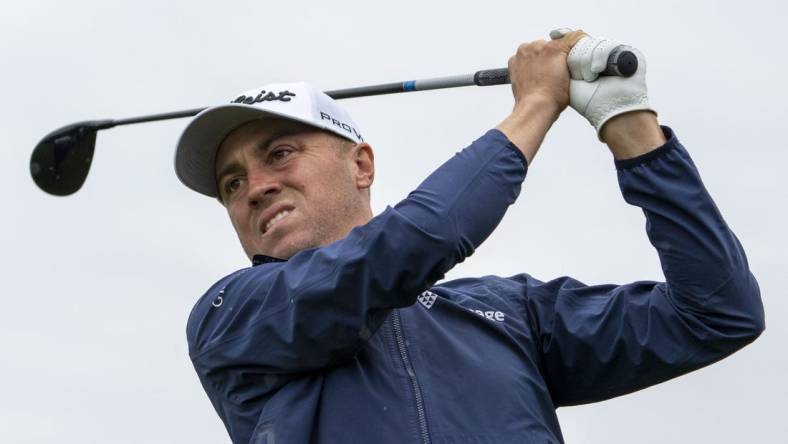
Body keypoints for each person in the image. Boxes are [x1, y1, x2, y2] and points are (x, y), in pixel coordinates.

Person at [174, 29, 765, 444]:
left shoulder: (511, 314)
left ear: (360, 166)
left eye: (280, 154)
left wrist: (626, 122)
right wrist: (536, 104)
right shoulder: (233, 316)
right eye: (231, 183)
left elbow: (716, 313)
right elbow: (408, 245)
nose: (253, 187)